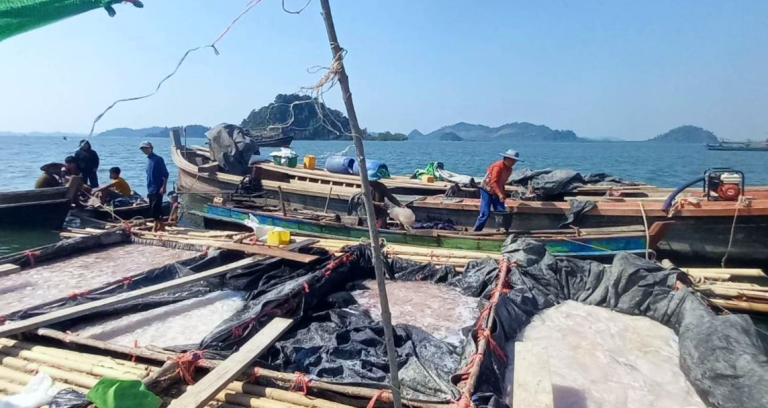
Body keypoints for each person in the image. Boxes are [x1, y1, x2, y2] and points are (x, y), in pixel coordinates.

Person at [473, 149, 520, 231]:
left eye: (515, 161)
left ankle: (502, 230)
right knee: (485, 213)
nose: (514, 162)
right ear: (506, 158)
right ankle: (477, 230)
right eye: (512, 160)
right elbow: (493, 182)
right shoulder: (498, 166)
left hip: (497, 190)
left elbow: (501, 183)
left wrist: (502, 193)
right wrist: (500, 194)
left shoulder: (510, 170)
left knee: (501, 211)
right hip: (486, 190)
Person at [140, 141, 169, 231]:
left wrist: (163, 187)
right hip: (151, 188)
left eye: (146, 148)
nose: (144, 150)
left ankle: (159, 227)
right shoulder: (148, 160)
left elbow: (165, 174)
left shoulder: (158, 159)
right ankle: (158, 227)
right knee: (152, 209)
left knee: (156, 208)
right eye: (143, 148)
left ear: (151, 148)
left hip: (158, 187)